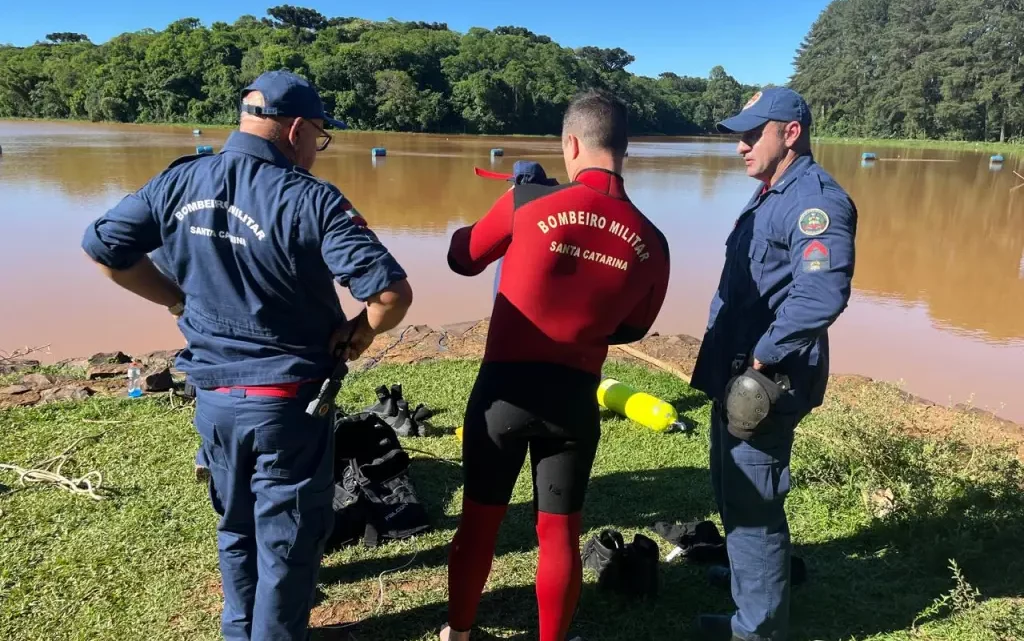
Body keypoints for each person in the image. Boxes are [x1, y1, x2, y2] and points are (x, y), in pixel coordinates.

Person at [80, 69, 413, 640]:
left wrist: (176, 299)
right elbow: (388, 294)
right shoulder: (310, 199)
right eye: (319, 135)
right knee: (289, 541)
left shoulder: (179, 181)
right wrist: (361, 333)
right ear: (295, 130)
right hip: (289, 404)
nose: (318, 147)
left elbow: (105, 248)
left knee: (235, 526)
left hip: (213, 399)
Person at [442, 90, 672, 641]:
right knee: (560, 533)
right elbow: (634, 328)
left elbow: (461, 257)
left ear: (571, 143)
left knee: (479, 523)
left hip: (504, 391)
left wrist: (520, 200)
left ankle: (460, 633)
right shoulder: (655, 242)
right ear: (624, 148)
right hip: (574, 398)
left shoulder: (527, 203)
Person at [689, 87, 857, 641]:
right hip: (736, 374)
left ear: (790, 132)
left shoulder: (815, 201)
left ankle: (756, 632)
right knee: (734, 496)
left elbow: (821, 295)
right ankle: (749, 600)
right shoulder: (771, 192)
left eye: (750, 134)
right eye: (738, 134)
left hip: (765, 381)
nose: (739, 146)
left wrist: (764, 354)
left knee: (754, 510)